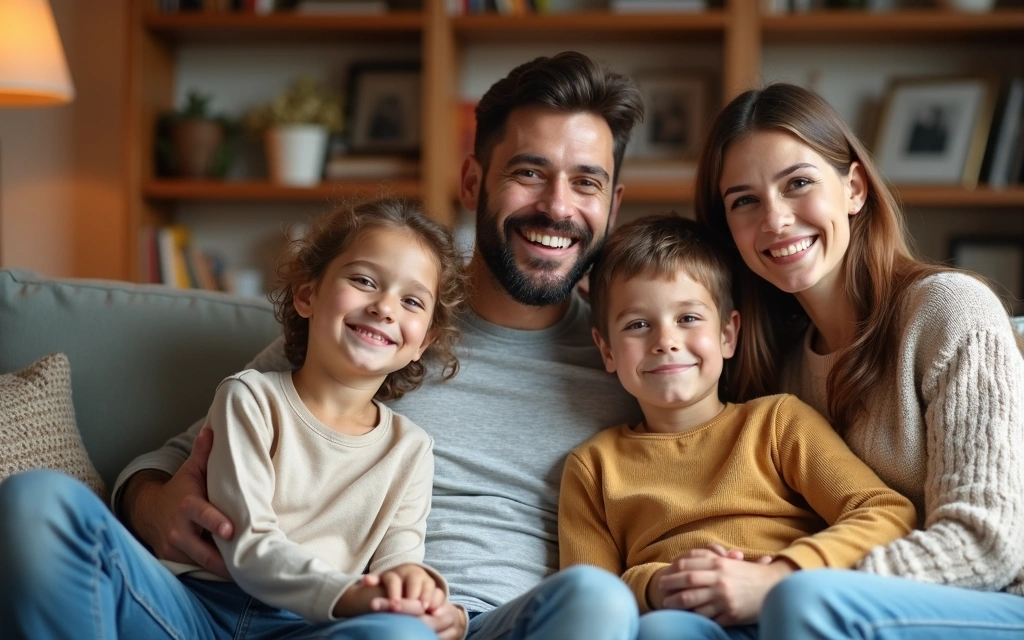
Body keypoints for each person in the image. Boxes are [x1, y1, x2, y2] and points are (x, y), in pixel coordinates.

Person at [7, 51, 646, 640]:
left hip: (478, 623)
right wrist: (150, 503)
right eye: (529, 172)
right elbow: (178, 459)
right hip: (340, 618)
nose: (558, 206)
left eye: (586, 183)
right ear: (474, 181)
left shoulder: (638, 360)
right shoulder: (357, 331)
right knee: (36, 501)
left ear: (613, 204)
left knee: (596, 600)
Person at [694, 82, 1024, 638]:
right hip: (859, 607)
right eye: (745, 201)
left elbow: (984, 543)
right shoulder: (776, 371)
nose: (776, 219)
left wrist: (790, 580)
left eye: (799, 184)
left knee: (802, 606)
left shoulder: (948, 310)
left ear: (854, 188)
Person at [0, 197, 468, 638]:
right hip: (190, 611)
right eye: (363, 280)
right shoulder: (249, 396)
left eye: (412, 301)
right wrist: (348, 595)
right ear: (307, 296)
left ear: (422, 343)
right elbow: (245, 545)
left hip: (308, 627)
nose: (384, 307)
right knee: (37, 496)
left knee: (403, 632)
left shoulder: (411, 449)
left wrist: (415, 589)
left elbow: (399, 563)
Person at [559, 214, 917, 639]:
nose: (665, 340)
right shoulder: (593, 466)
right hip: (676, 622)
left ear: (728, 334)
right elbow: (589, 602)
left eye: (688, 318)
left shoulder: (777, 423)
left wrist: (787, 570)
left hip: (785, 609)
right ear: (607, 350)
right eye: (638, 325)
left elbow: (886, 512)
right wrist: (655, 585)